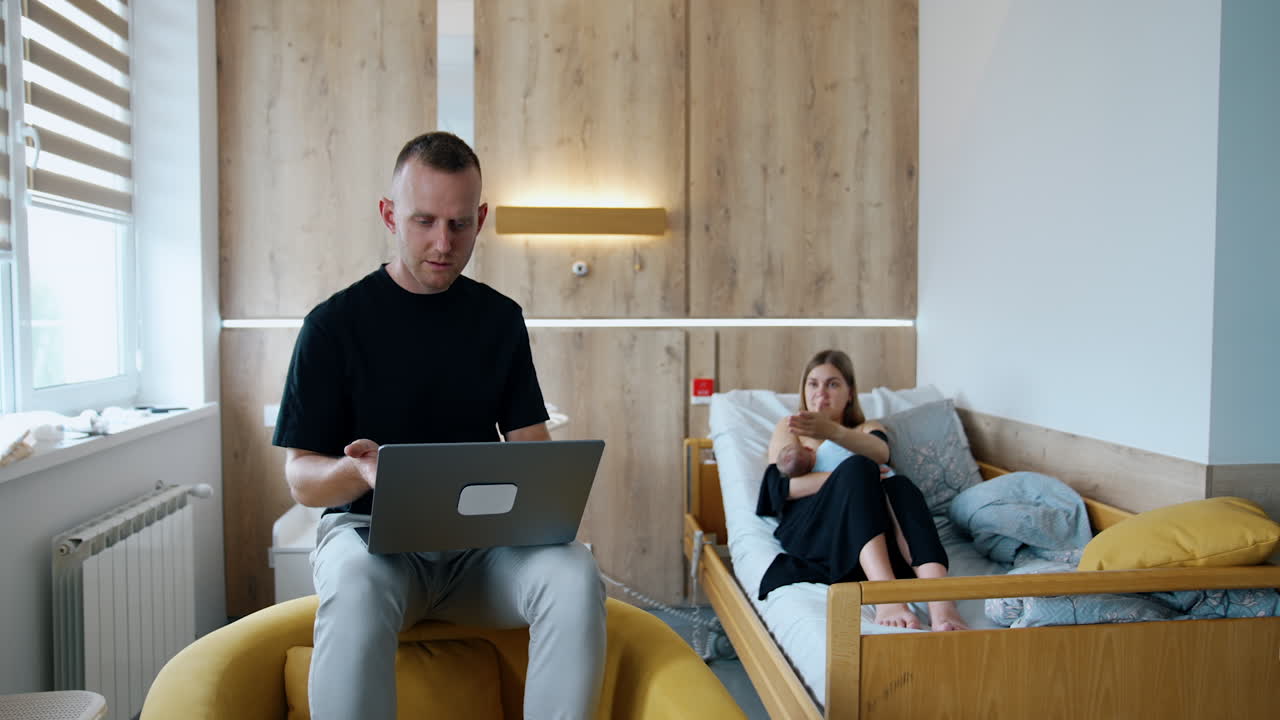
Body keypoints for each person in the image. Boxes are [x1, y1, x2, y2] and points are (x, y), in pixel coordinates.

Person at [272, 131, 606, 719]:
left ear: (480, 219)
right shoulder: (331, 326)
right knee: (353, 584)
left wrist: (550, 488)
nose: (441, 243)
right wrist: (362, 472)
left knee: (575, 572)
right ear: (388, 214)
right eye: (423, 221)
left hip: (481, 555)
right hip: (371, 543)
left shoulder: (500, 321)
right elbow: (300, 479)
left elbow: (531, 447)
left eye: (458, 225)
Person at [755, 349, 967, 632]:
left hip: (874, 538)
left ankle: (942, 605)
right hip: (814, 532)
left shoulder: (867, 427)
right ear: (804, 390)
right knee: (858, 468)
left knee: (900, 485)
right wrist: (845, 477)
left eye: (833, 384)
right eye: (813, 383)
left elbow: (881, 453)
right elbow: (780, 489)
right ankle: (886, 597)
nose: (822, 393)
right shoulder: (790, 427)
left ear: (850, 392)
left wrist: (833, 431)